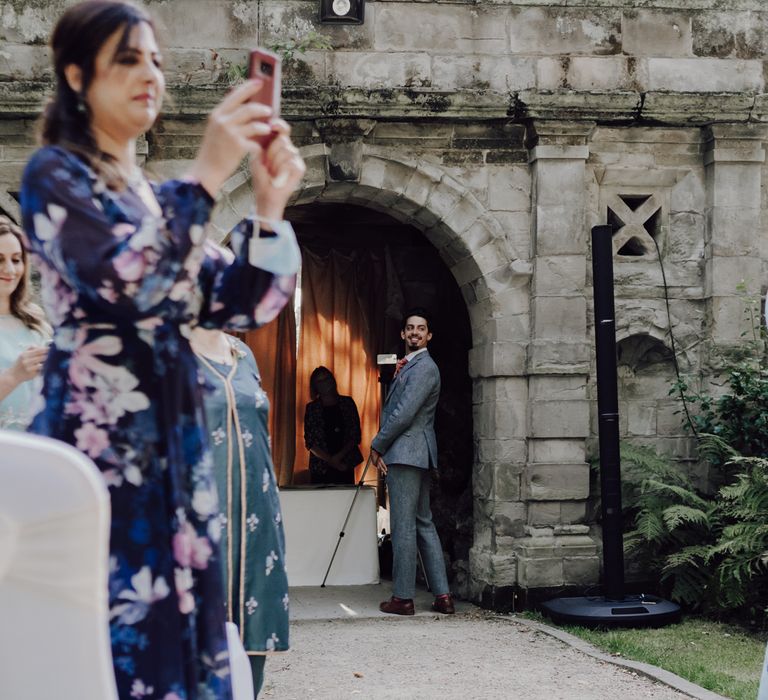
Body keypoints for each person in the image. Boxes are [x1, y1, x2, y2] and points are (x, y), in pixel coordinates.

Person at [19, 1, 304, 697]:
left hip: (179, 458)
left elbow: (241, 303)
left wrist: (267, 210)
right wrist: (207, 173)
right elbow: (126, 284)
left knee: (184, 650)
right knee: (108, 655)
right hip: (105, 455)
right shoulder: (54, 175)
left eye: (155, 59)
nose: (150, 72)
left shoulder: (151, 197)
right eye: (128, 58)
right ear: (77, 75)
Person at [191, 324, 289, 699]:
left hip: (257, 506)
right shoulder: (168, 351)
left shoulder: (242, 352)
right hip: (200, 509)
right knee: (199, 622)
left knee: (255, 621)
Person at [371, 308, 454, 616]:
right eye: (410, 328)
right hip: (416, 453)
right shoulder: (413, 365)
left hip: (406, 453)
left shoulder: (423, 367)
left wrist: (377, 445)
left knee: (404, 526)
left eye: (421, 328)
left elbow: (403, 414)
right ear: (404, 334)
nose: (415, 332)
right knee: (423, 523)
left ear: (428, 335)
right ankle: (443, 596)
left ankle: (403, 598)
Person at [0, 217, 51, 430]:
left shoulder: (36, 320)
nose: (10, 270)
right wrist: (14, 375)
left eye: (16, 259)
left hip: (38, 449)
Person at [304, 366, 363, 485]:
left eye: (327, 378)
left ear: (332, 380)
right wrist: (331, 461)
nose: (324, 383)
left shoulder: (347, 403)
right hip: (321, 467)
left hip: (344, 463)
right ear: (315, 386)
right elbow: (310, 442)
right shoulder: (312, 408)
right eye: (320, 381)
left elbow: (355, 435)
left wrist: (338, 459)